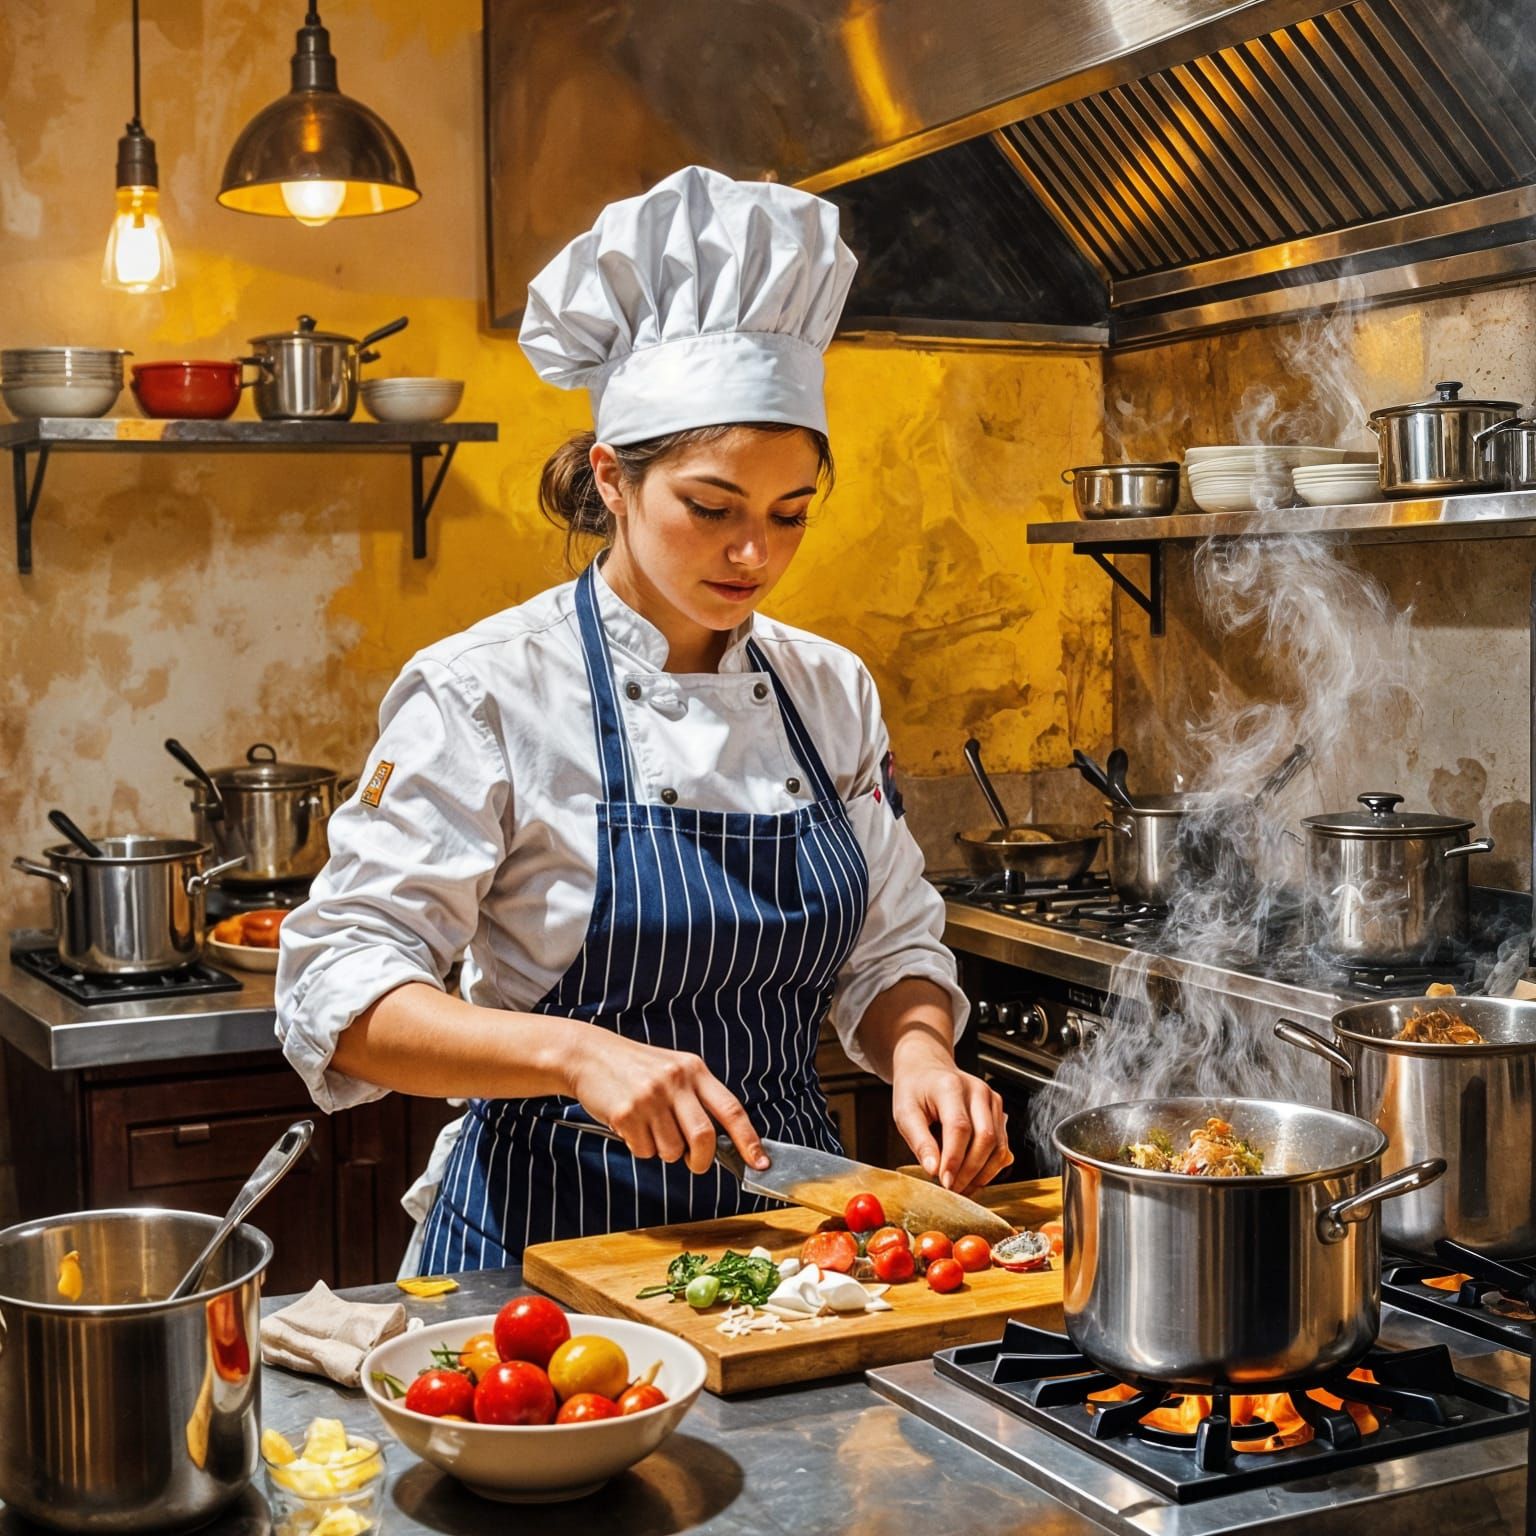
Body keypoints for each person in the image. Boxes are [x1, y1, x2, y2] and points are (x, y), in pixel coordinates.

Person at [275, 165, 1010, 1274]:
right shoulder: (487, 690)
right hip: (536, 1251)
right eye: (710, 509)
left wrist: (918, 1050)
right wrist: (575, 1054)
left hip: (785, 1244)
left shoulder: (827, 689)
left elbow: (889, 944)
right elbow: (343, 994)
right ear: (613, 480)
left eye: (789, 514)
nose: (754, 554)